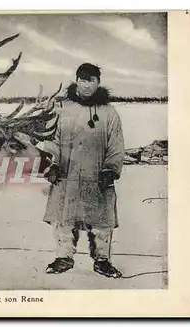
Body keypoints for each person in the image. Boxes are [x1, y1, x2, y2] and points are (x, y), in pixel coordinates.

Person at [41, 63, 125, 278]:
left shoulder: (109, 113)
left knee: (102, 221)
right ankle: (63, 257)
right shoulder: (63, 109)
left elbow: (116, 144)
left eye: (92, 80)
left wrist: (110, 170)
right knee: (64, 217)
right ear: (77, 80)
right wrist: (52, 164)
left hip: (98, 175)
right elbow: (52, 139)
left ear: (98, 82)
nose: (87, 85)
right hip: (66, 174)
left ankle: (102, 260)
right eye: (83, 79)